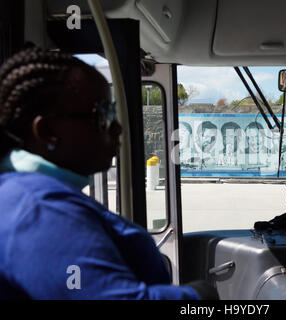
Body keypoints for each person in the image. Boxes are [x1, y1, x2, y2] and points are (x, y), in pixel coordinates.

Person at [0, 47, 216, 300]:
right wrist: (199, 295)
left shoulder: (27, 195)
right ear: (47, 132)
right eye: (103, 115)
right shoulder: (40, 208)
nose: (117, 128)